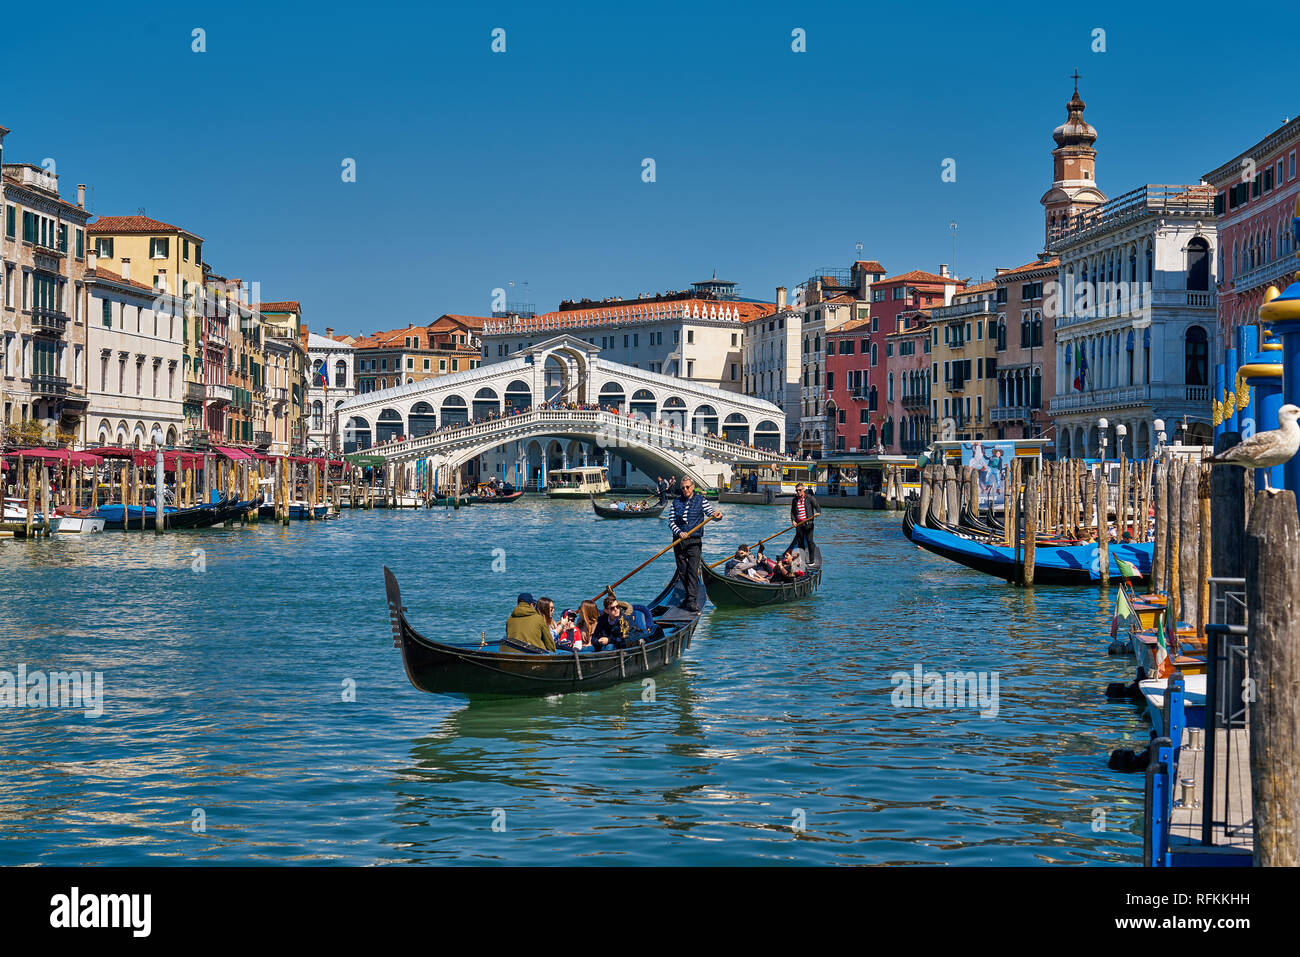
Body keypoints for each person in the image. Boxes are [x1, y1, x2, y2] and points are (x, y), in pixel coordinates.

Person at [668, 476, 722, 612]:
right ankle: (688, 597)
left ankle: (691, 600)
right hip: (678, 541)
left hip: (694, 542)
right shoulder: (676, 502)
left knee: (692, 571)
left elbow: (711, 513)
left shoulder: (701, 500)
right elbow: (671, 522)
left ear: (692, 487)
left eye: (687, 487)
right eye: (683, 488)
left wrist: (717, 515)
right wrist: (679, 532)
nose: (685, 490)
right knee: (682, 571)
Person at [789, 482, 821, 559]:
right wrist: (793, 521)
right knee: (800, 543)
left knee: (810, 541)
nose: (798, 492)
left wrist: (818, 513)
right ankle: (802, 559)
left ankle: (811, 560)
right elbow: (792, 512)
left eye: (800, 490)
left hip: (808, 524)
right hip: (799, 524)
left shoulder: (810, 498)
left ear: (803, 489)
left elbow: (817, 507)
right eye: (796, 490)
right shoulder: (795, 500)